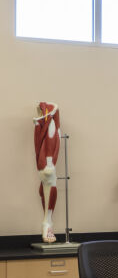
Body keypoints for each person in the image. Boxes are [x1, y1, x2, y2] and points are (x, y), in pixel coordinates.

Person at [34, 102, 60, 243]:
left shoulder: (52, 128)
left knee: (50, 185)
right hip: (46, 165)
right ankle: (47, 224)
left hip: (48, 164)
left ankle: (47, 223)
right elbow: (39, 145)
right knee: (50, 182)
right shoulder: (43, 127)